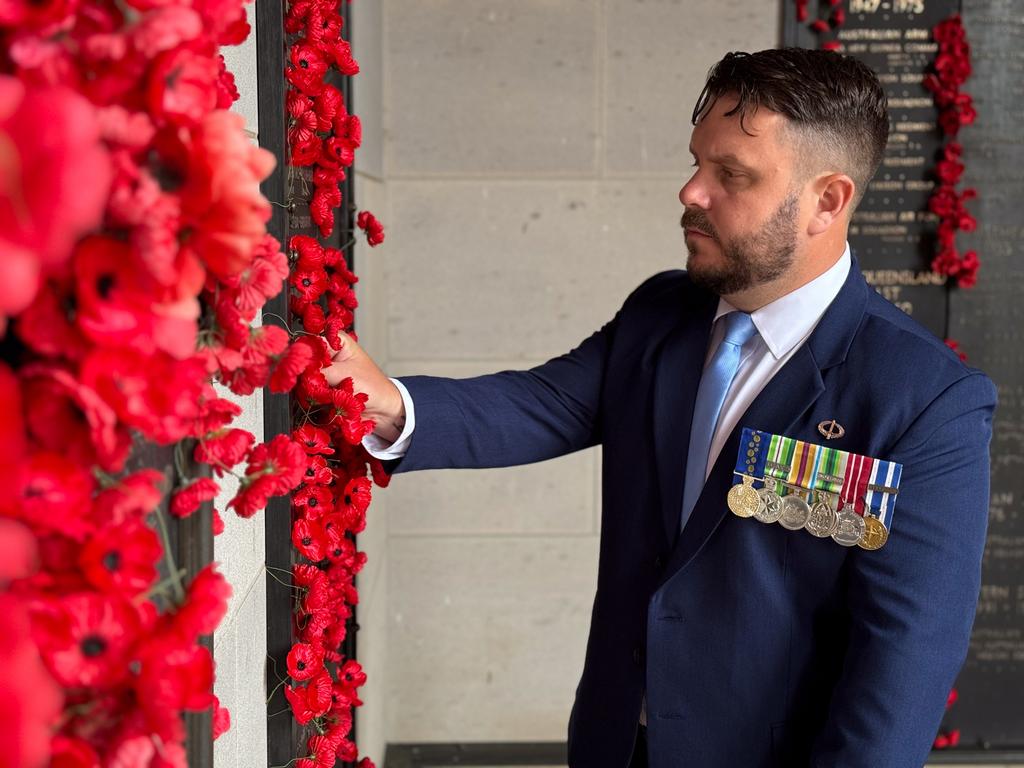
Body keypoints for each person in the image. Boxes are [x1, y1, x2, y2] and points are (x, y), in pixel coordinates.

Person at [323, 48, 996, 768]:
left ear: (827, 202)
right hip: (614, 745)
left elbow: (904, 663)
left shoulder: (924, 400)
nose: (691, 192)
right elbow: (543, 403)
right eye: (697, 162)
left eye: (730, 175)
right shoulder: (661, 313)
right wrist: (387, 401)